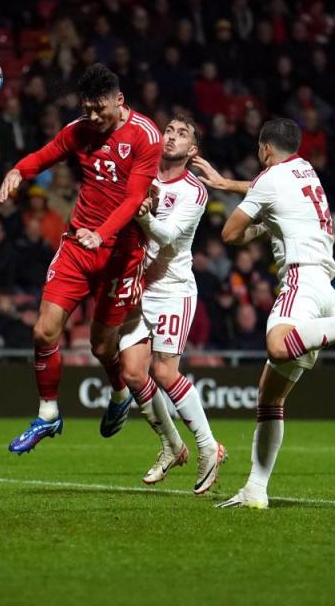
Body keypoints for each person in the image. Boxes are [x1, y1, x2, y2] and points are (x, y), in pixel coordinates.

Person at [194, 118, 335, 509]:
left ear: (265, 150)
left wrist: (253, 219)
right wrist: (229, 186)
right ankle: (256, 489)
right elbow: (272, 195)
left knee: (276, 344)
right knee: (270, 396)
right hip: (324, 290)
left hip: (300, 282)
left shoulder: (269, 180)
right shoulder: (306, 170)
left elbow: (231, 234)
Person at [0, 64, 162, 454]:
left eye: (98, 109)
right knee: (43, 331)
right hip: (77, 245)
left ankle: (119, 393)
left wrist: (102, 234)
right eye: (86, 108)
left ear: (119, 101)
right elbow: (46, 155)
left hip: (121, 253)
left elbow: (135, 199)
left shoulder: (145, 136)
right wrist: (19, 170)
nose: (92, 116)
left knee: (103, 347)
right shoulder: (80, 129)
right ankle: (49, 413)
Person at [101, 115, 226, 494]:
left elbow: (169, 237)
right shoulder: (142, 172)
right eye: (168, 130)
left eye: (182, 133)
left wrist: (142, 212)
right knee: (133, 372)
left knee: (165, 372)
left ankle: (208, 449)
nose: (171, 137)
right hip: (140, 287)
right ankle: (172, 445)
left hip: (173, 290)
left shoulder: (194, 191)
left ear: (193, 151)